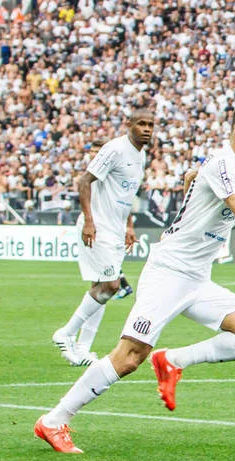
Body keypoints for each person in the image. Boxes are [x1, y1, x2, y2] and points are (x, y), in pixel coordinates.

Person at [34, 100, 235, 453]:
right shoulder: (226, 163)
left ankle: (173, 360)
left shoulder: (227, 166)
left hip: (196, 279)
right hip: (169, 275)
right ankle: (54, 421)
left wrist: (194, 182)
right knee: (129, 356)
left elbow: (199, 186)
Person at [52, 109, 155, 366]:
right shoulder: (115, 149)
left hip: (116, 229)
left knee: (101, 288)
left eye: (151, 125)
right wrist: (89, 221)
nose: (146, 129)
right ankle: (65, 333)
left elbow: (126, 195)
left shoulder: (140, 155)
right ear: (128, 125)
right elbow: (85, 181)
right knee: (111, 285)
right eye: (141, 124)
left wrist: (129, 225)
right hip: (99, 227)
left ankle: (82, 348)